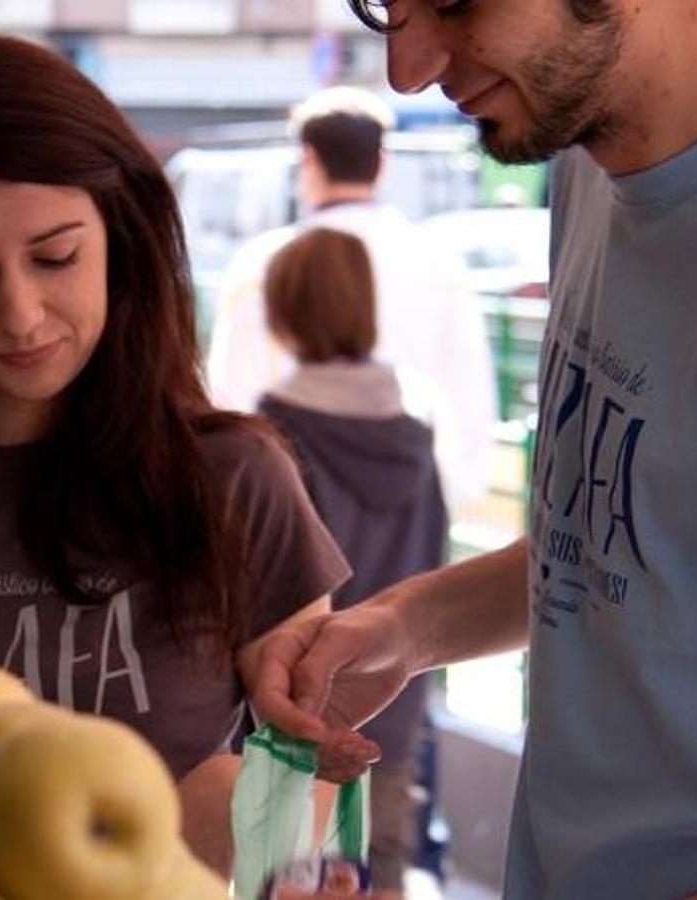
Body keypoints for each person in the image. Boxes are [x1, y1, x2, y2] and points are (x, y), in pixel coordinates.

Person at [250, 1, 697, 898]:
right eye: (388, 9)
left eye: (453, 2)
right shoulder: (590, 160)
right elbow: (649, 542)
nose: (407, 68)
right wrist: (405, 626)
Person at [0, 36, 354, 874]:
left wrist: (217, 829)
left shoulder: (232, 479)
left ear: (122, 240)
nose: (19, 314)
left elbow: (320, 798)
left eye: (55, 257)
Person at [257, 227, 447, 895]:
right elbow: (436, 562)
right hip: (398, 696)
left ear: (280, 312)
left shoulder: (272, 434)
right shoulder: (415, 432)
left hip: (298, 703)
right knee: (383, 860)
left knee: (292, 873)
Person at [205, 85, 496, 511]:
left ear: (307, 159)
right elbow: (468, 391)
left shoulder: (263, 265)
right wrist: (451, 495)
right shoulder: (438, 264)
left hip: (294, 507)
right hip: (416, 500)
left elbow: (231, 396)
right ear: (382, 164)